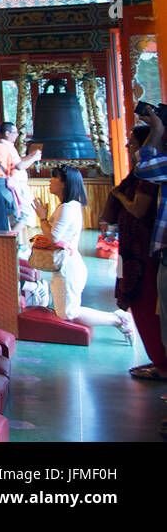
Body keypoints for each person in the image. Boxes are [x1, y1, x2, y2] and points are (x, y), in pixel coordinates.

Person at [35, 164, 133, 339]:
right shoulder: (67, 206)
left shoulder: (67, 207)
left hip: (69, 267)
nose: (50, 181)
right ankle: (117, 318)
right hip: (67, 265)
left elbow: (54, 238)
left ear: (65, 183)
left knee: (68, 314)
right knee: (65, 312)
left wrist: (42, 217)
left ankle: (117, 319)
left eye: (54, 178)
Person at [101, 125, 167, 379]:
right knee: (139, 305)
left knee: (148, 304)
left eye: (132, 143)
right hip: (130, 250)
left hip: (145, 252)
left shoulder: (149, 176)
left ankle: (162, 363)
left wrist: (118, 195)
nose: (127, 147)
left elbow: (139, 210)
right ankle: (157, 360)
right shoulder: (136, 176)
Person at [121, 105, 167, 439]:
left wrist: (158, 132)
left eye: (133, 144)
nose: (131, 150)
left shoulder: (154, 166)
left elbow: (147, 169)